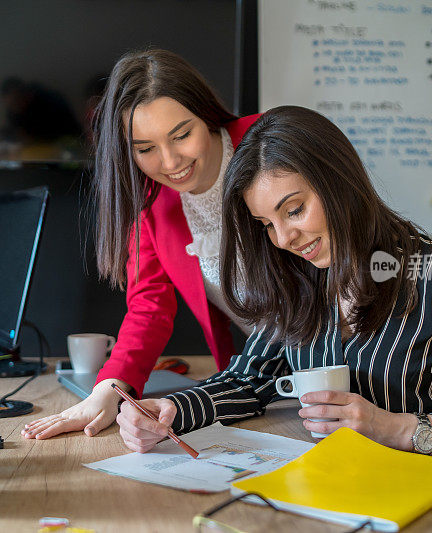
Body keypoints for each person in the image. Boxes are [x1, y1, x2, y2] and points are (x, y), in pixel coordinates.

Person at [115, 106, 432, 532]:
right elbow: (251, 379)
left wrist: (401, 428)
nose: (286, 238)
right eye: (267, 224)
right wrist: (174, 409)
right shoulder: (299, 282)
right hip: (363, 493)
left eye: (294, 210)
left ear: (338, 182)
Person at [21, 49, 260, 440]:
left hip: (351, 352)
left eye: (181, 135)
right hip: (266, 373)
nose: (170, 162)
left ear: (207, 114)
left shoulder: (268, 140)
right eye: (145, 148)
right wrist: (108, 389)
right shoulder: (151, 201)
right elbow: (150, 304)